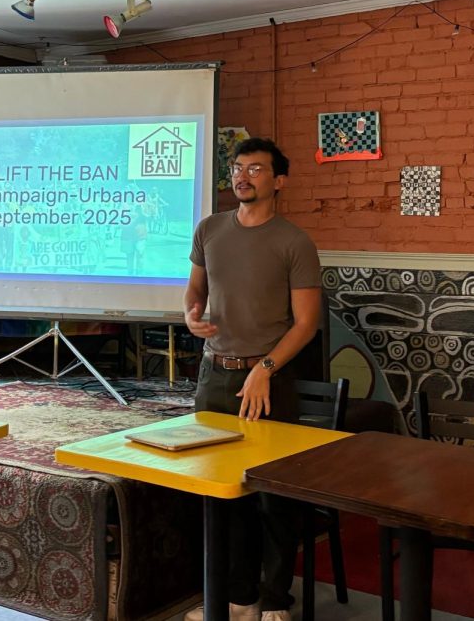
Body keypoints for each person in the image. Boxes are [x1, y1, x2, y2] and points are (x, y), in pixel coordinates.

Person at [183, 137, 322, 621]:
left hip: (270, 379)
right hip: (214, 376)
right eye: (238, 168)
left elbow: (307, 323)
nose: (242, 176)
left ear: (278, 181)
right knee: (220, 492)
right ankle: (239, 599)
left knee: (273, 494)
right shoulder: (209, 229)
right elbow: (195, 292)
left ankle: (277, 601)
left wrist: (265, 369)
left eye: (256, 169)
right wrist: (191, 317)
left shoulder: (294, 241)